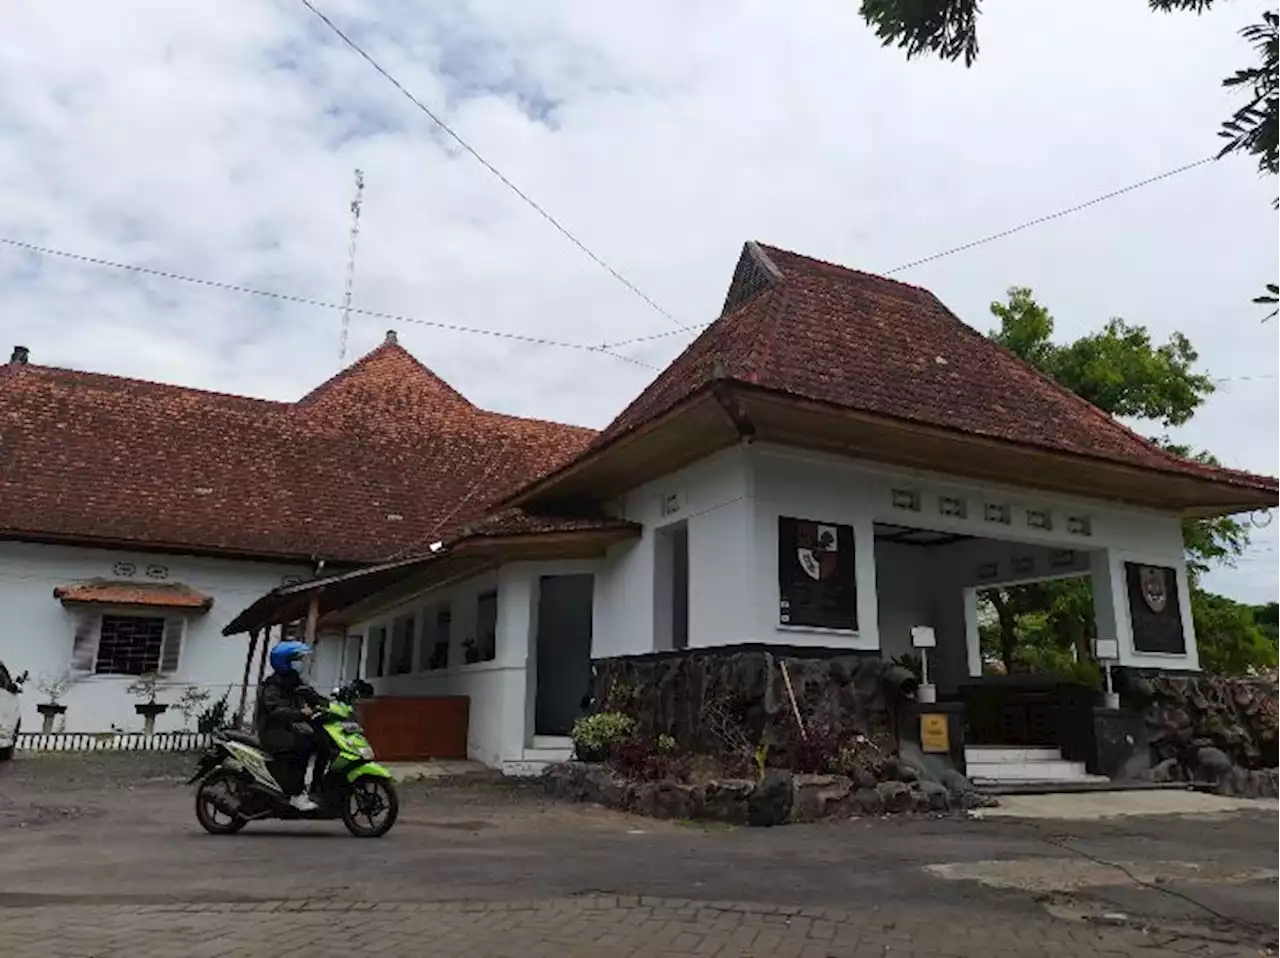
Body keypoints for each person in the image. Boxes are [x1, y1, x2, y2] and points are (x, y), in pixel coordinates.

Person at [256, 640, 327, 812]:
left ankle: (315, 788)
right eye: (297, 659)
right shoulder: (273, 685)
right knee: (303, 745)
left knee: (323, 744)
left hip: (290, 728)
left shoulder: (295, 682)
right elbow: (276, 711)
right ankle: (296, 794)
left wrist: (331, 705)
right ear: (285, 662)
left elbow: (314, 697)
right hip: (274, 732)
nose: (301, 663)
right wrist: (300, 714)